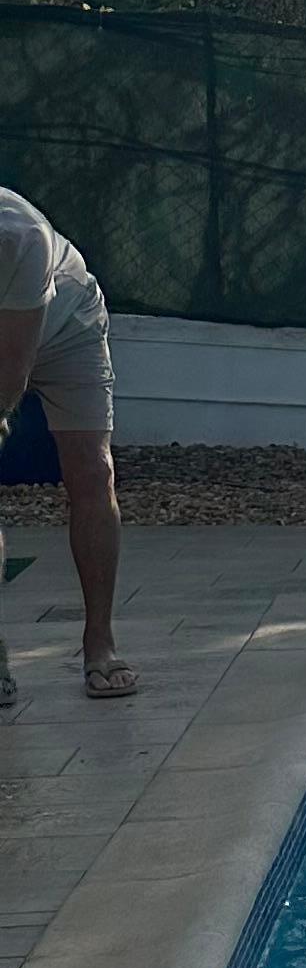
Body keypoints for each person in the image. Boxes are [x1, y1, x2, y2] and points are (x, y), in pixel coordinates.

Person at [0, 183, 135, 702]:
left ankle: (99, 642)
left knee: (92, 472)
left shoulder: (20, 236)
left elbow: (11, 374)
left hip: (67, 324)